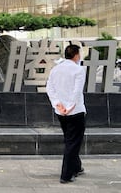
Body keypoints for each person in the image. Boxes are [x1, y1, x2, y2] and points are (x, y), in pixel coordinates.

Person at [46, 44, 86, 184]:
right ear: (76, 54)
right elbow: (77, 91)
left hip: (61, 111)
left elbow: (50, 88)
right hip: (75, 111)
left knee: (70, 140)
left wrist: (58, 104)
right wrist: (69, 107)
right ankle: (66, 175)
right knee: (73, 142)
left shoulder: (55, 69)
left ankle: (77, 167)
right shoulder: (78, 70)